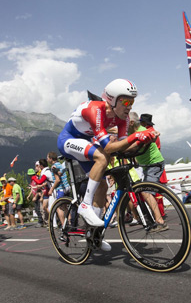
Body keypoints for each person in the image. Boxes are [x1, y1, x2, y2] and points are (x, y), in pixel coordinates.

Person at [57, 78, 156, 251]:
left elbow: (124, 147)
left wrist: (144, 139)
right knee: (103, 156)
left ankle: (93, 235)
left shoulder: (122, 120)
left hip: (86, 143)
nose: (130, 106)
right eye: (126, 101)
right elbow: (109, 147)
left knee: (102, 186)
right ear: (112, 99)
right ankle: (85, 205)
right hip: (68, 140)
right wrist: (135, 137)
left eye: (132, 102)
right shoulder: (96, 109)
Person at [131, 114, 167, 231]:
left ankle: (160, 221)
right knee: (144, 191)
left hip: (154, 163)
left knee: (146, 192)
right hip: (146, 165)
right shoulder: (130, 132)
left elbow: (152, 134)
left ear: (131, 122)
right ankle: (152, 218)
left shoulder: (142, 131)